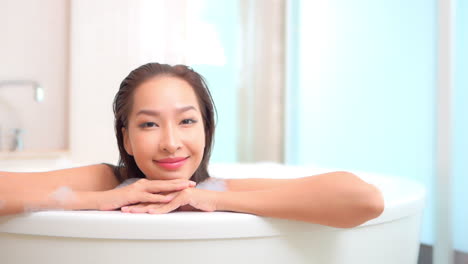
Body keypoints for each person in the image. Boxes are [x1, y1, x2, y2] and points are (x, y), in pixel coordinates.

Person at [0, 63, 384, 228]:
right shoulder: (106, 180)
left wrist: (214, 201)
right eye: (149, 124)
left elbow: (364, 200)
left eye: (186, 121)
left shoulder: (218, 190)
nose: (170, 143)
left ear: (206, 130)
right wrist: (98, 200)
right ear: (127, 139)